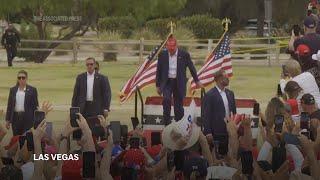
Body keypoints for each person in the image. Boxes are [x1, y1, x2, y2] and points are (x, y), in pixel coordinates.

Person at [156, 36, 202, 125]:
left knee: (178, 107)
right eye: (169, 47)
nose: (171, 49)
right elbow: (159, 70)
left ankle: (180, 124)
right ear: (166, 46)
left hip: (179, 82)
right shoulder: (162, 55)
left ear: (177, 45)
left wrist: (197, 81)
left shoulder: (184, 54)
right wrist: (158, 85)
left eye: (173, 47)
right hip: (167, 82)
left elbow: (191, 68)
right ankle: (167, 123)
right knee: (166, 100)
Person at [202, 69, 236, 147]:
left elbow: (234, 112)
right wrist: (208, 132)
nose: (228, 79)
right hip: (216, 132)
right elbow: (206, 115)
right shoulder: (209, 95)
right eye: (226, 77)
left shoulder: (230, 93)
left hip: (230, 132)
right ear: (219, 79)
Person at [5, 70, 39, 135]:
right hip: (16, 118)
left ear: (26, 78)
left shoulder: (32, 90)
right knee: (16, 138)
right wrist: (7, 120)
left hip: (28, 119)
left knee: (27, 138)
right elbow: (9, 105)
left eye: (23, 78)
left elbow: (35, 106)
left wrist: (36, 121)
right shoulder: (13, 90)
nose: (21, 79)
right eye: (19, 78)